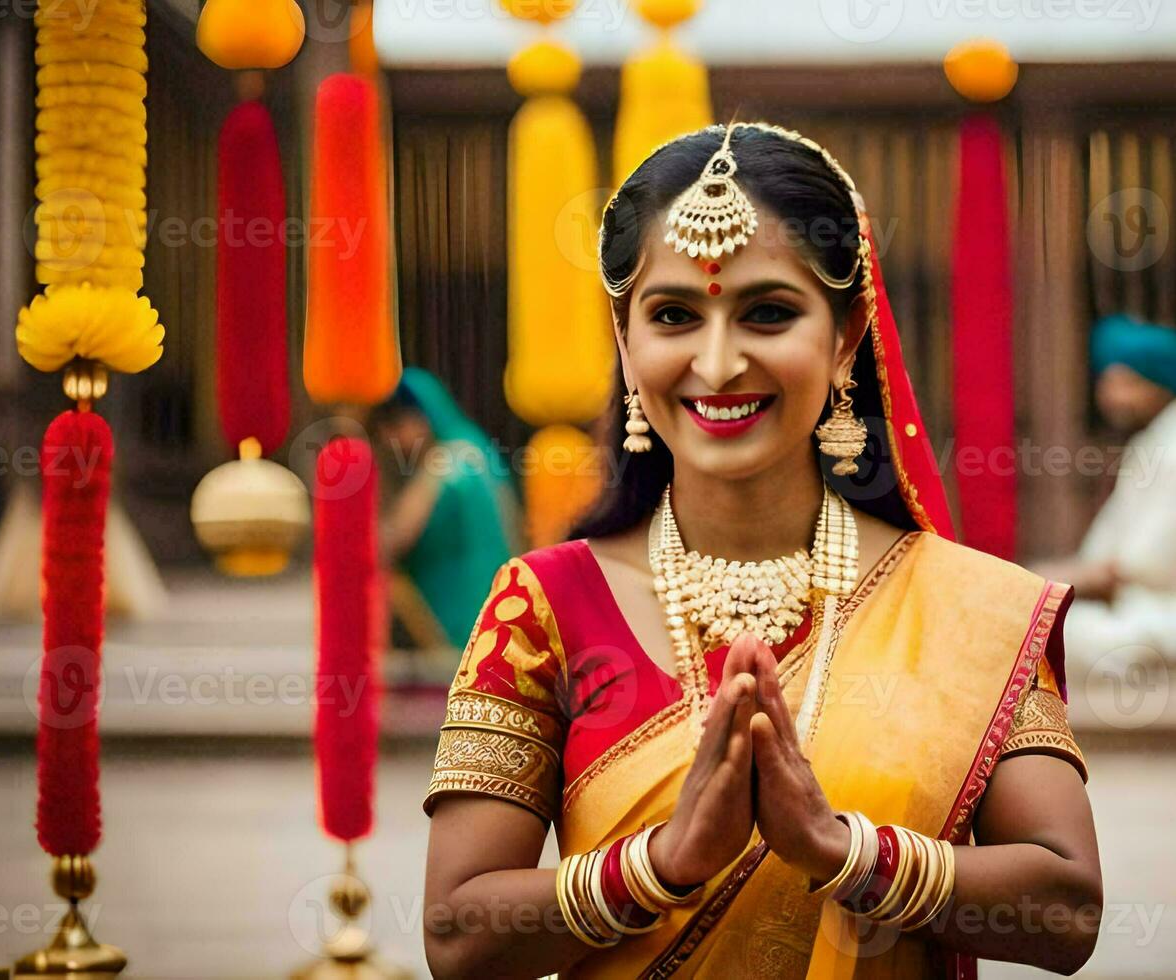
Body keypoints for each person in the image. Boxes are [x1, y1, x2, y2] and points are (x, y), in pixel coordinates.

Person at [422, 124, 1101, 978]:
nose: (717, 362)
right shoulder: (542, 605)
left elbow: (1068, 909)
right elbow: (454, 931)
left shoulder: (969, 607)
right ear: (625, 341)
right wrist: (662, 866)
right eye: (673, 315)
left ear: (847, 333)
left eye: (768, 313)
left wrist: (838, 848)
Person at [1046, 314, 1176, 678]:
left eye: (1125, 383)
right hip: (1141, 608)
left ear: (1160, 384)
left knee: (1048, 633)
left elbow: (1138, 565)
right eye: (1106, 382)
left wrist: (1035, 585)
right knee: (1035, 627)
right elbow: (1100, 555)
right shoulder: (1151, 443)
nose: (1108, 396)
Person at [370, 367, 521, 652]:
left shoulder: (447, 463)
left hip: (462, 625)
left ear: (422, 418)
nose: (389, 439)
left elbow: (388, 543)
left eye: (395, 425)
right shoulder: (475, 450)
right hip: (499, 619)